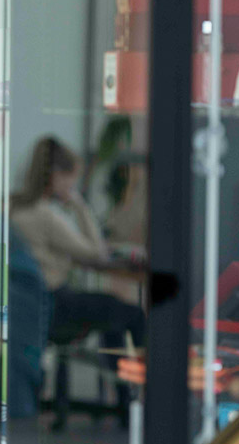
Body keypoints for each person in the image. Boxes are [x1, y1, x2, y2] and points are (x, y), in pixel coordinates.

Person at [10, 136, 145, 421]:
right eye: (71, 182)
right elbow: (97, 255)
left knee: (112, 310)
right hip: (54, 305)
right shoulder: (45, 214)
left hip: (26, 308)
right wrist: (80, 207)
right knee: (130, 314)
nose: (72, 188)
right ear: (57, 177)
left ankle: (122, 405)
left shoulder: (13, 207)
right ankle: (134, 401)